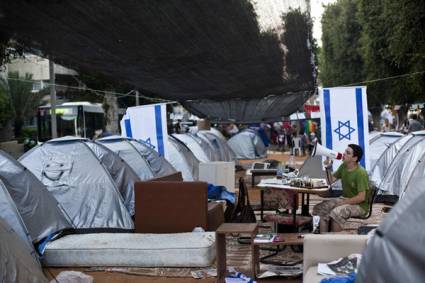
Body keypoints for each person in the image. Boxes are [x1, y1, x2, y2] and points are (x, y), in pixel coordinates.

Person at [312, 144, 369, 232]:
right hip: (345, 199)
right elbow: (330, 181)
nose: (344, 154)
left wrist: (344, 202)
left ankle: (336, 242)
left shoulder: (361, 173)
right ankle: (323, 239)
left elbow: (361, 197)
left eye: (348, 153)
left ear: (355, 158)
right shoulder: (343, 167)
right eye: (345, 151)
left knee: (337, 213)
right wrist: (328, 168)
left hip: (360, 206)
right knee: (320, 208)